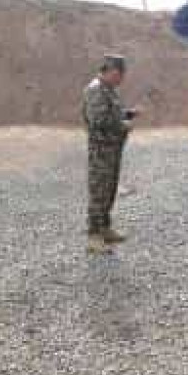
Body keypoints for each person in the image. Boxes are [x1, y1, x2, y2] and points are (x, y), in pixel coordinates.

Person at [82, 54, 139, 254]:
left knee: (109, 189)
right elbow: (99, 121)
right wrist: (124, 126)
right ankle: (93, 236)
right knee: (99, 191)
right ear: (112, 71)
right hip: (101, 151)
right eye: (120, 75)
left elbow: (112, 113)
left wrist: (128, 114)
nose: (121, 79)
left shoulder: (108, 90)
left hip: (111, 150)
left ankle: (105, 228)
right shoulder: (95, 90)